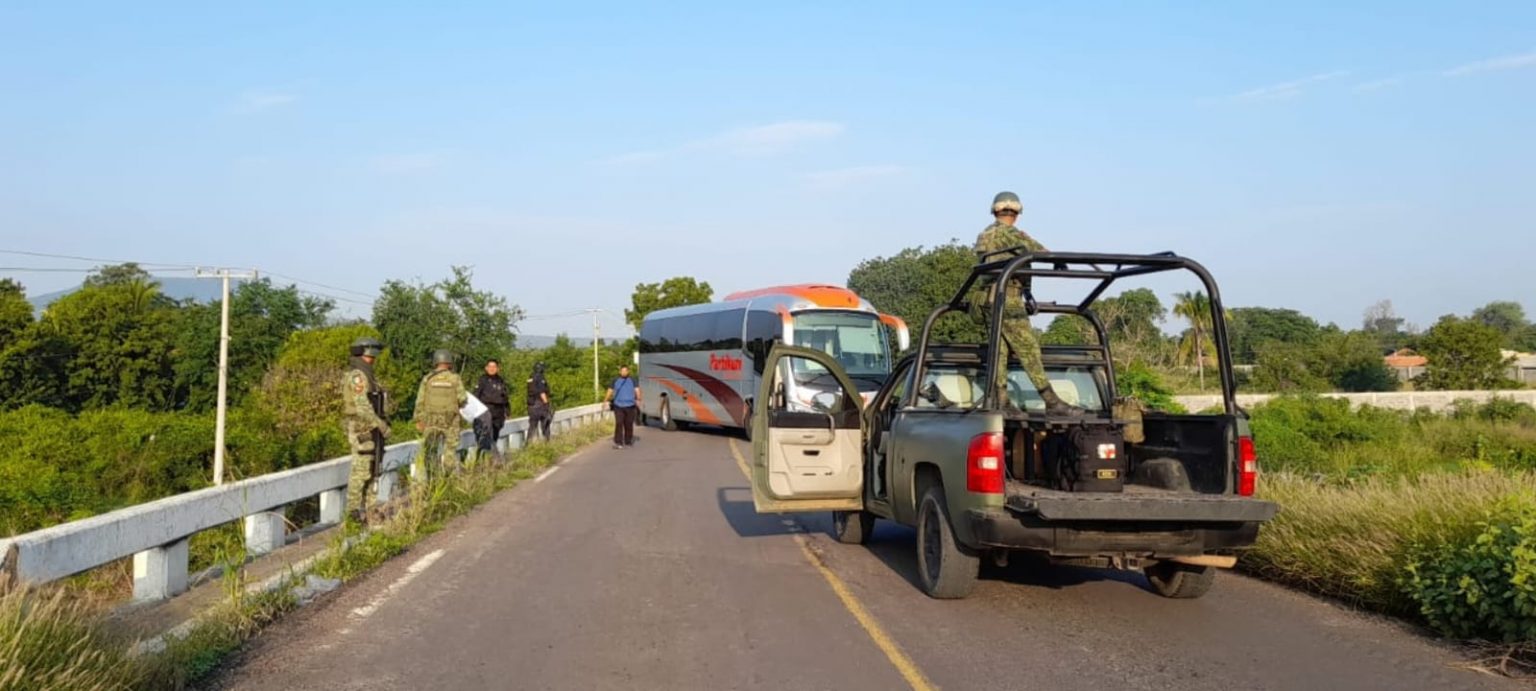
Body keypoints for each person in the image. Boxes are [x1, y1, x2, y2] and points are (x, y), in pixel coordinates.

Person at [971, 191, 1079, 415]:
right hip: (1006, 298)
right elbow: (1037, 251)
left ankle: (1001, 400)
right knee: (1028, 347)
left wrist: (1027, 292)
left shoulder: (984, 234)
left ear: (995, 210)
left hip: (986, 298)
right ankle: (1051, 401)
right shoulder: (1011, 234)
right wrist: (1058, 261)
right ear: (1016, 212)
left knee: (999, 351)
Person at [341, 337, 390, 521]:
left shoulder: (368, 374)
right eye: (372, 355)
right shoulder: (357, 376)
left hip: (373, 428)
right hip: (363, 428)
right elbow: (362, 406)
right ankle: (353, 512)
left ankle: (371, 509)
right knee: (361, 471)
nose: (374, 359)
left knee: (374, 468)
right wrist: (381, 425)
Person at [413, 349, 467, 481]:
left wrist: (419, 420)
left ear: (435, 362)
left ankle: (433, 480)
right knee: (449, 452)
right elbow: (462, 399)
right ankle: (449, 481)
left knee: (430, 452)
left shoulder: (428, 379)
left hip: (431, 421)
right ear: (449, 363)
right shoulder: (454, 378)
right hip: (450, 421)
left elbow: (420, 401)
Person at [473, 359, 510, 460]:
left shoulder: (501, 380)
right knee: (486, 437)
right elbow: (475, 397)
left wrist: (507, 410)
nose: (492, 369)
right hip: (486, 411)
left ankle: (490, 460)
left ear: (498, 368)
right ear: (486, 368)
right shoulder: (482, 380)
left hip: (498, 413)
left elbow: (505, 397)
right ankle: (489, 460)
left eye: (494, 367)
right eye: (490, 367)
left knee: (495, 436)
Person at [605, 365, 641, 449]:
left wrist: (638, 399)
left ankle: (628, 441)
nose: (624, 372)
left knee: (628, 424)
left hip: (630, 405)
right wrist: (605, 400)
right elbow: (610, 390)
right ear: (620, 372)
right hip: (618, 406)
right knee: (619, 423)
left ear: (628, 372)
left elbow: (637, 389)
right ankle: (619, 442)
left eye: (625, 371)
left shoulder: (633, 380)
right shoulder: (615, 380)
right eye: (622, 371)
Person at [526, 362, 552, 442]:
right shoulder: (540, 378)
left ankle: (528, 445)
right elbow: (542, 392)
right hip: (540, 404)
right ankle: (547, 444)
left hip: (531, 405)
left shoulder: (531, 377)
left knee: (532, 426)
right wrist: (546, 404)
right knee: (545, 424)